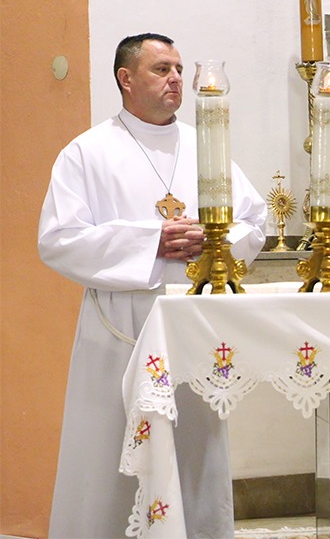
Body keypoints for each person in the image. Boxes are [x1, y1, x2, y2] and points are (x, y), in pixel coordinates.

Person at [38, 33, 267, 538]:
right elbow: (57, 240)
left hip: (191, 326)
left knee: (193, 447)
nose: (176, 79)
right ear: (126, 78)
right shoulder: (87, 153)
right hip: (120, 329)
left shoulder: (205, 146)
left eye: (179, 69)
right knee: (108, 453)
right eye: (162, 69)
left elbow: (255, 222)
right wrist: (151, 241)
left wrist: (213, 242)